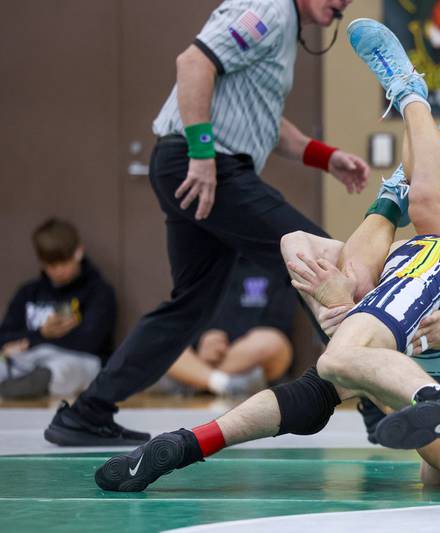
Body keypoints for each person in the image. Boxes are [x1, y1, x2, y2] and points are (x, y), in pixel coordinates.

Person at [94, 19, 440, 497]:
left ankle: (184, 444)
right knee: (429, 210)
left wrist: (362, 352)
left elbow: (421, 438)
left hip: (421, 355)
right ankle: (408, 93)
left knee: (303, 256)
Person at [43, 0, 367, 446]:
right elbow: (193, 62)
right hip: (206, 164)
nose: (345, 1)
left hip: (200, 164)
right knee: (322, 259)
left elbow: (265, 121)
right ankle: (375, 400)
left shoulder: (283, 26)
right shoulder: (268, 10)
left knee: (188, 306)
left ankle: (86, 413)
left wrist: (327, 158)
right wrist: (200, 154)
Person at [0, 218, 116, 399]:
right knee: (6, 362)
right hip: (29, 359)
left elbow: (90, 342)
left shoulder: (99, 292)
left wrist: (37, 339)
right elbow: (4, 337)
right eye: (52, 265)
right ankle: (19, 385)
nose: (60, 270)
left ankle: (31, 385)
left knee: (66, 368)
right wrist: (42, 334)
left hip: (75, 361)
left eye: (65, 262)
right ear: (42, 262)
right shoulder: (28, 292)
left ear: (79, 252)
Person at [154, 254, 295, 397]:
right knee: (157, 337)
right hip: (201, 354)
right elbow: (183, 317)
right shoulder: (201, 265)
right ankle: (221, 383)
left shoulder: (274, 264)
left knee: (272, 341)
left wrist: (228, 349)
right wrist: (201, 340)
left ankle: (197, 380)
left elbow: (278, 324)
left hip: (251, 360)